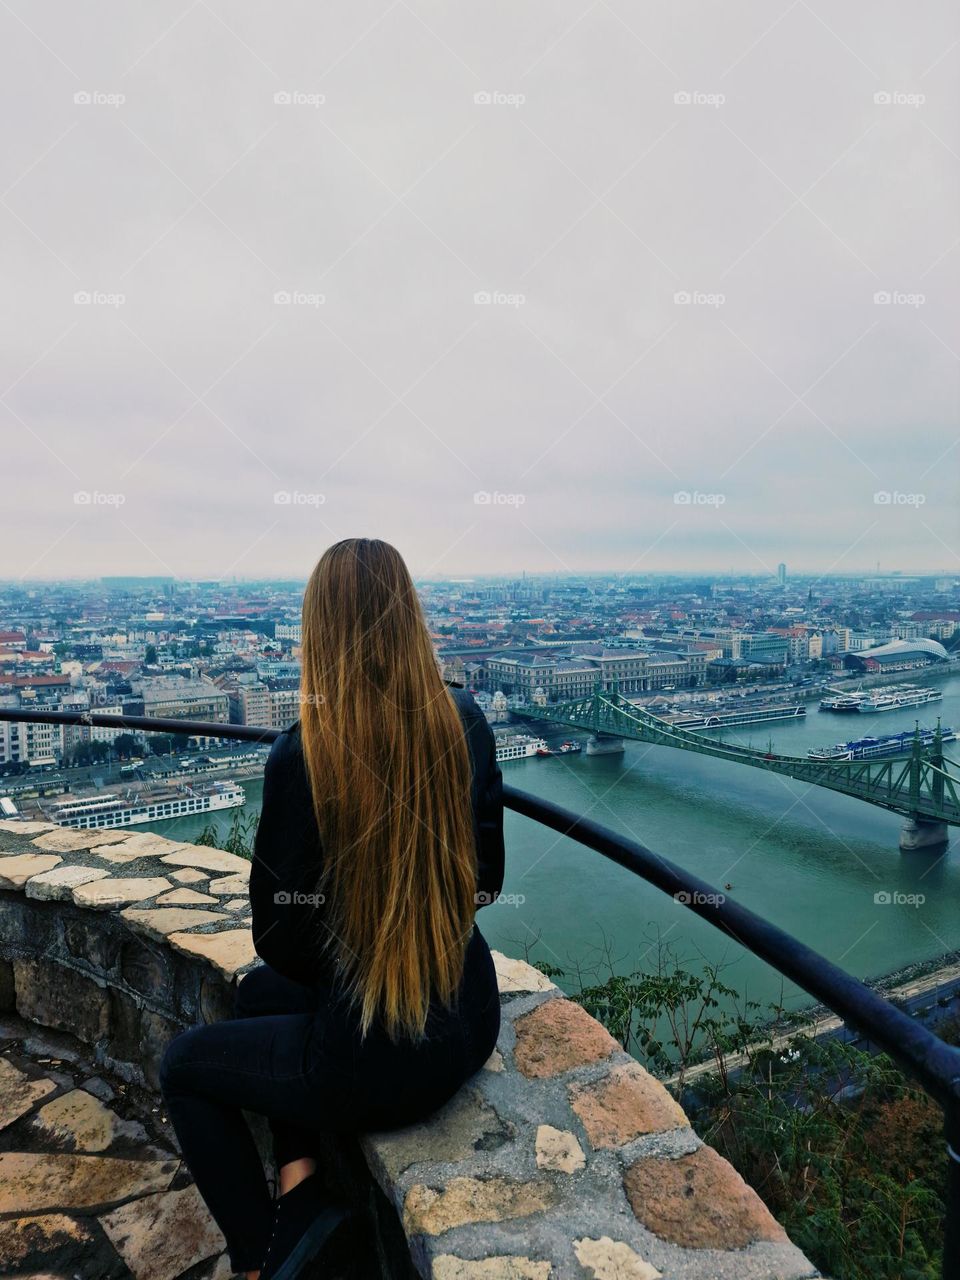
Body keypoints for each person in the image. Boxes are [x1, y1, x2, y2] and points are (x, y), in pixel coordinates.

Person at [160, 538, 505, 1280]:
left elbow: (281, 938)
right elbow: (486, 883)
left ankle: (263, 1262)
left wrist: (357, 941)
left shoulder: (304, 754)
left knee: (183, 1068)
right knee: (256, 997)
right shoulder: (467, 719)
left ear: (320, 635)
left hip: (377, 1061)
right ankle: (301, 1193)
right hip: (471, 1014)